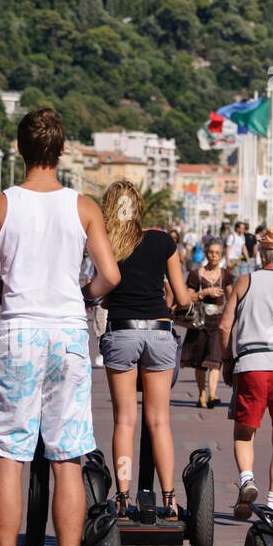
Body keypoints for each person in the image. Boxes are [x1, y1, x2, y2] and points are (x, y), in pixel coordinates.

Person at [0, 107, 120, 546]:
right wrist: (85, 293)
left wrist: (1, 286)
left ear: (19, 149)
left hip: (20, 333)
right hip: (69, 335)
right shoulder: (84, 206)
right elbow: (110, 276)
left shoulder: (0, 205)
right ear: (62, 151)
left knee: (10, 456)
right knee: (68, 456)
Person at [99, 181, 192, 518]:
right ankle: (168, 501)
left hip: (122, 330)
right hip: (158, 332)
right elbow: (181, 298)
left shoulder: (106, 243)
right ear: (139, 206)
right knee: (159, 421)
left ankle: (123, 499)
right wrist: (187, 307)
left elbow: (103, 291)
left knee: (125, 420)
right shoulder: (162, 241)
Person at [218, 226, 273, 519]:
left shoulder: (246, 281)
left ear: (261, 252)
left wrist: (227, 360)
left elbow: (224, 326)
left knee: (244, 434)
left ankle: (246, 480)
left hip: (251, 365)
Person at [181, 239, 230, 407]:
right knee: (200, 360)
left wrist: (232, 315)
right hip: (200, 321)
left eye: (217, 253)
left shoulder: (225, 275)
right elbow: (187, 297)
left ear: (221, 255)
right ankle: (202, 394)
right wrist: (205, 292)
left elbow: (231, 298)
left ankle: (213, 394)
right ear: (206, 253)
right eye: (211, 252)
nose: (214, 256)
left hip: (218, 321)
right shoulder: (196, 274)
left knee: (215, 359)